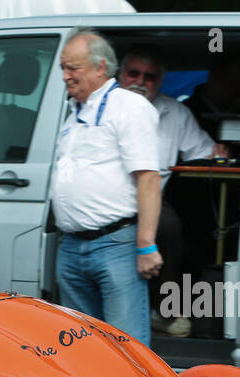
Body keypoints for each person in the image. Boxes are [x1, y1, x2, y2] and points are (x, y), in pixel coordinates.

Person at [53, 32, 161, 348]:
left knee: (127, 347)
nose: (65, 76)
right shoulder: (74, 111)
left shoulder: (129, 106)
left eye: (73, 68)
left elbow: (148, 178)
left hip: (115, 244)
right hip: (71, 245)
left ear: (100, 67)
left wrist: (146, 246)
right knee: (84, 347)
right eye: (63, 68)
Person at [117, 44, 229, 337]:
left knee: (172, 226)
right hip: (105, 197)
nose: (140, 81)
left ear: (160, 81)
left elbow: (203, 152)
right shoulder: (102, 106)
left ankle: (162, 311)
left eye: (150, 77)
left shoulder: (175, 112)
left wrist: (217, 153)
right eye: (133, 73)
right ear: (120, 74)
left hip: (150, 197)